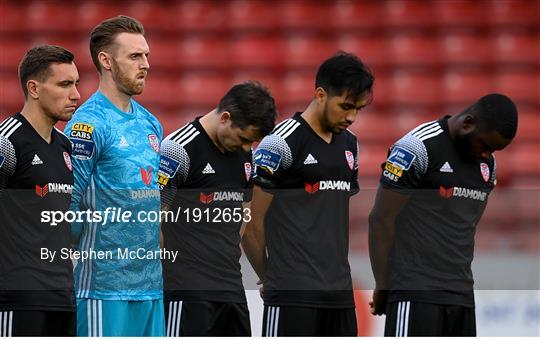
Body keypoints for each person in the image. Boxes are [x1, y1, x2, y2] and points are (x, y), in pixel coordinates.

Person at [242, 52, 374, 336]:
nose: (352, 117)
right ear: (320, 94)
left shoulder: (351, 145)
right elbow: (250, 224)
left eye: (358, 109)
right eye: (346, 106)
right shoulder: (279, 143)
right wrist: (270, 278)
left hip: (339, 294)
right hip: (292, 292)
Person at [368, 94, 518, 336]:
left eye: (494, 150)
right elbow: (381, 219)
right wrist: (383, 286)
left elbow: (469, 223)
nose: (488, 155)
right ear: (468, 123)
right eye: (486, 147)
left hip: (461, 295)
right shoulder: (416, 148)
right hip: (415, 291)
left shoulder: (487, 166)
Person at [64, 16, 164, 336]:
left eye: (146, 55)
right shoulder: (87, 125)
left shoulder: (151, 124)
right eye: (135, 56)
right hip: (103, 291)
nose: (145, 64)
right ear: (106, 61)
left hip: (151, 289)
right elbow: (66, 206)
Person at [159, 81, 277, 336]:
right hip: (186, 292)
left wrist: (267, 276)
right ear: (225, 117)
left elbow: (244, 223)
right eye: (244, 139)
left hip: (231, 290)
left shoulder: (246, 156)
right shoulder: (178, 150)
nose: (247, 148)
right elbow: (153, 222)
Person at [0, 45, 80, 336]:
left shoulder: (64, 146)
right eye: (64, 84)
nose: (76, 94)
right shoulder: (7, 143)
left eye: (76, 84)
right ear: (34, 88)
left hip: (62, 295)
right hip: (18, 297)